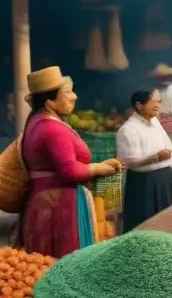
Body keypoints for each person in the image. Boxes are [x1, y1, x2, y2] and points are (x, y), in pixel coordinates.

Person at [20, 67, 121, 257]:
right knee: (66, 260)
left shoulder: (37, 122)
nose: (74, 97)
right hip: (59, 205)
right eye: (66, 92)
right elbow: (70, 171)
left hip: (45, 200)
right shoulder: (52, 129)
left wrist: (99, 166)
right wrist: (98, 168)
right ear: (50, 101)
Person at [117, 89, 172, 232]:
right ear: (139, 105)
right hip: (144, 183)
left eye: (158, 102)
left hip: (164, 179)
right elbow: (127, 161)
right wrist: (156, 157)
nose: (158, 106)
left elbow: (168, 146)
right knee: (144, 225)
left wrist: (167, 156)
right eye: (153, 102)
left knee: (167, 223)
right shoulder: (128, 130)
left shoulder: (155, 122)